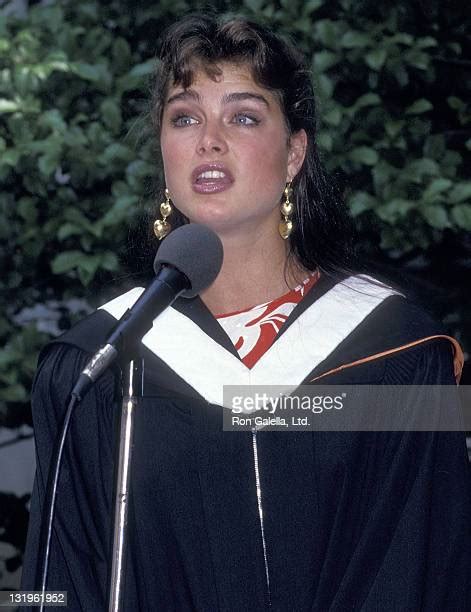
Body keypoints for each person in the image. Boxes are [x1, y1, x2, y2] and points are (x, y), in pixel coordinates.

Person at [21, 14, 470, 611]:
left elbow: (429, 569)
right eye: (184, 117)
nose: (208, 139)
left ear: (293, 154)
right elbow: (51, 587)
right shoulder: (99, 366)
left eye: (243, 116)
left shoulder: (401, 357)